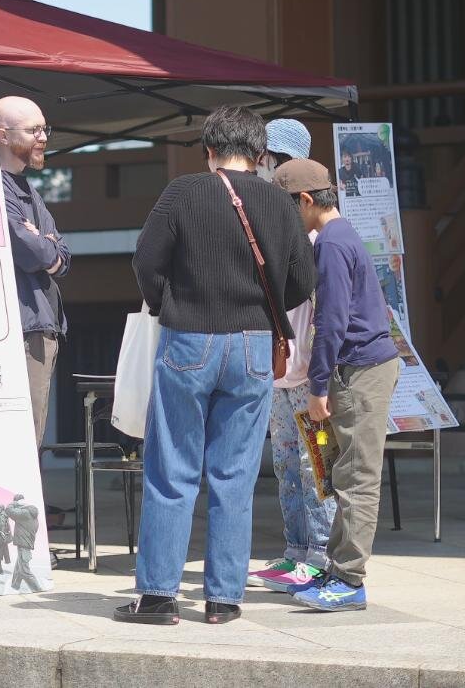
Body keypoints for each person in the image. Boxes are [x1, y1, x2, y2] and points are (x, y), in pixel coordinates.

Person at [118, 105, 316, 627]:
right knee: (235, 475)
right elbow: (303, 277)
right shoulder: (277, 201)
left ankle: (159, 597)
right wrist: (268, 304)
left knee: (172, 470)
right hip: (254, 345)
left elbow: (145, 260)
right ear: (259, 153)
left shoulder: (183, 192)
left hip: (190, 339)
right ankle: (224, 599)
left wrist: (167, 304)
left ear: (209, 149)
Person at [273, 159, 401, 612]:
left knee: (357, 479)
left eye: (287, 209)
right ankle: (337, 569)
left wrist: (318, 385)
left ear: (306, 201)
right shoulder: (341, 236)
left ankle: (349, 579)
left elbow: (330, 322)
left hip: (361, 370)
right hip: (363, 367)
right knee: (346, 475)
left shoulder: (330, 243)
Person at [248, 120, 338, 596]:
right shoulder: (272, 222)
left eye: (279, 161)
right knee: (286, 464)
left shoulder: (319, 236)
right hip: (281, 369)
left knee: (314, 465)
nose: (272, 170)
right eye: (269, 159)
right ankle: (295, 550)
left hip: (308, 373)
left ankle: (321, 555)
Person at [0, 96, 71, 444]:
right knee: (23, 438)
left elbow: (62, 255)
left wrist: (47, 246)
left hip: (40, 324)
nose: (43, 137)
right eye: (33, 130)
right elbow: (30, 248)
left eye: (44, 128)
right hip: (22, 327)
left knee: (31, 433)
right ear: (3, 136)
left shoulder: (28, 189)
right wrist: (46, 246)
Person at [3, 494, 44, 594]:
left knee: (24, 570)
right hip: (26, 541)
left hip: (23, 543)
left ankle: (37, 589)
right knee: (19, 565)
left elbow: (9, 511)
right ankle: (15, 585)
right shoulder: (31, 512)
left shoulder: (24, 513)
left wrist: (14, 503)